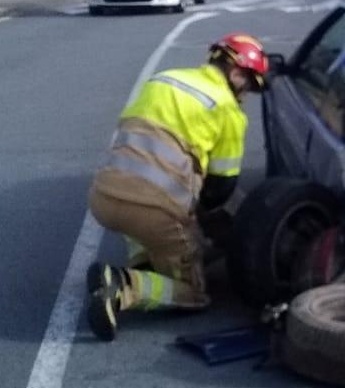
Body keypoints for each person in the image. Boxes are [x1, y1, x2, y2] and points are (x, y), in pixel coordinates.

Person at [85, 32, 269, 340]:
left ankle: (145, 261)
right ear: (237, 72)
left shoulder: (165, 79)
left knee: (145, 218)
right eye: (249, 84)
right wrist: (208, 224)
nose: (246, 93)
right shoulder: (227, 110)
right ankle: (124, 285)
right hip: (152, 213)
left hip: (103, 198)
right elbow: (221, 187)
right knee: (194, 291)